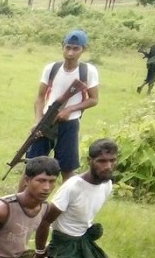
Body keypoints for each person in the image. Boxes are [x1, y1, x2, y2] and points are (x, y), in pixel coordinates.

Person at [34, 139, 123, 258]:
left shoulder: (106, 184)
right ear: (90, 161)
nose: (107, 166)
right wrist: (40, 253)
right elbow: (45, 221)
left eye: (112, 161)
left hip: (83, 241)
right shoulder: (73, 186)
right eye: (101, 161)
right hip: (63, 245)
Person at [25, 29, 99, 183]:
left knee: (67, 169)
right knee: (32, 166)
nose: (71, 53)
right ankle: (19, 203)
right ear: (63, 47)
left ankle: (68, 205)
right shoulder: (52, 68)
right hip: (46, 120)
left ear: (83, 50)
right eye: (68, 47)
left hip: (69, 124)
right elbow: (40, 97)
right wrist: (37, 121)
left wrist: (70, 109)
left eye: (75, 48)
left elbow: (93, 99)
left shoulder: (88, 71)